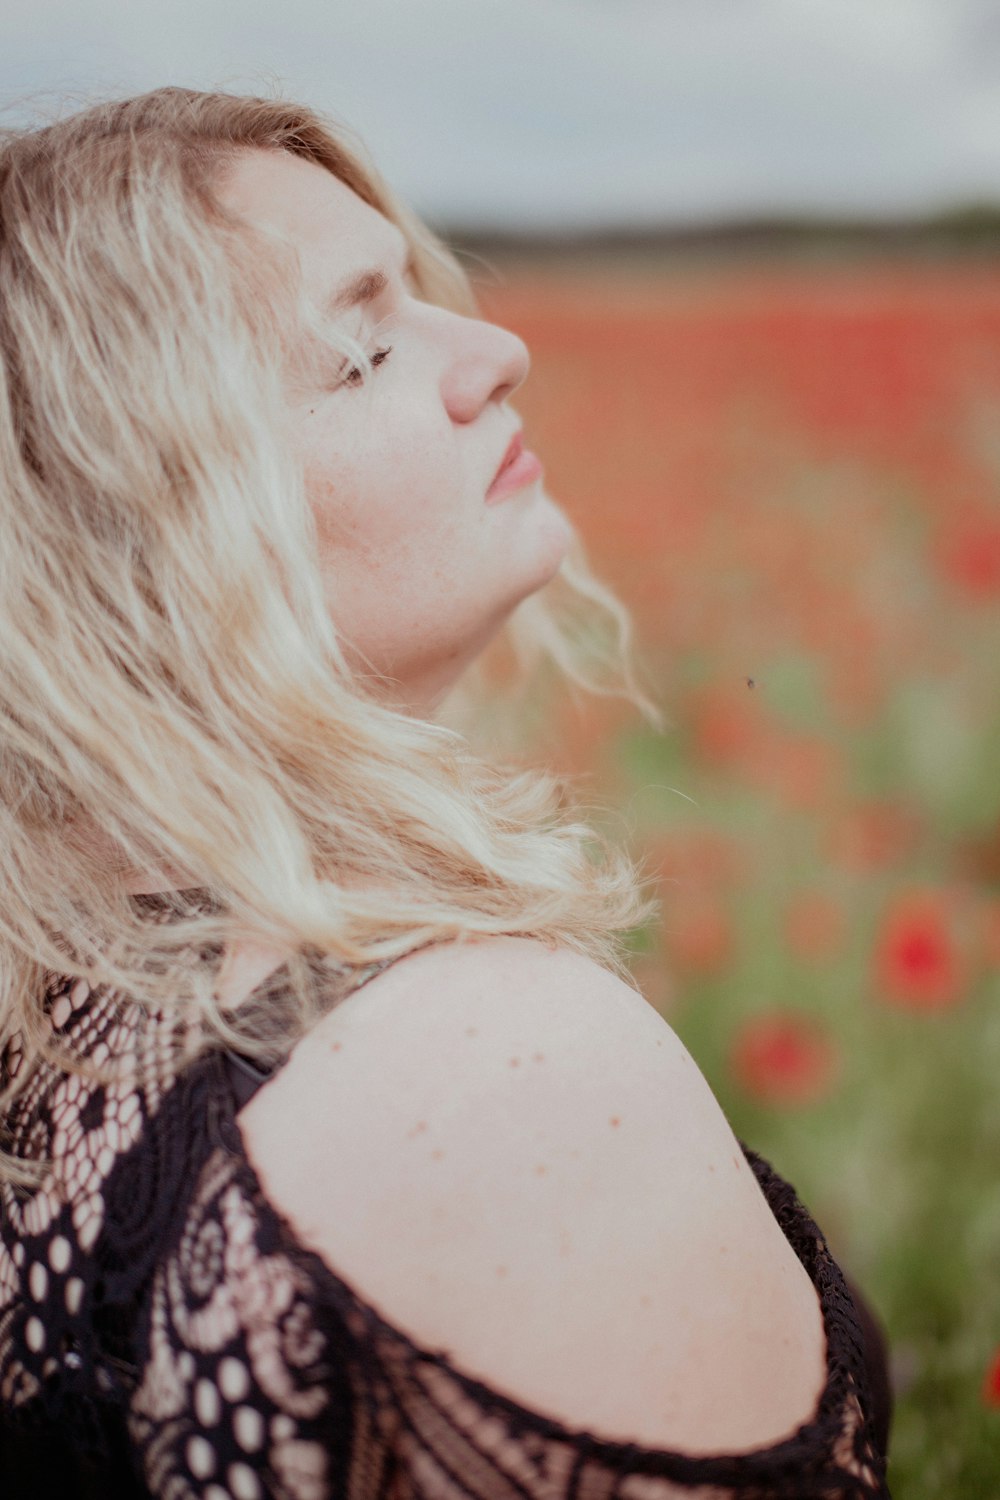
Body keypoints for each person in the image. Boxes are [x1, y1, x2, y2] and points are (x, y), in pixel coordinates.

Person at [0, 87, 890, 1498]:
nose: (498, 349)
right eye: (360, 349)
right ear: (144, 525)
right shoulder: (491, 1065)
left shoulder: (49, 1021)